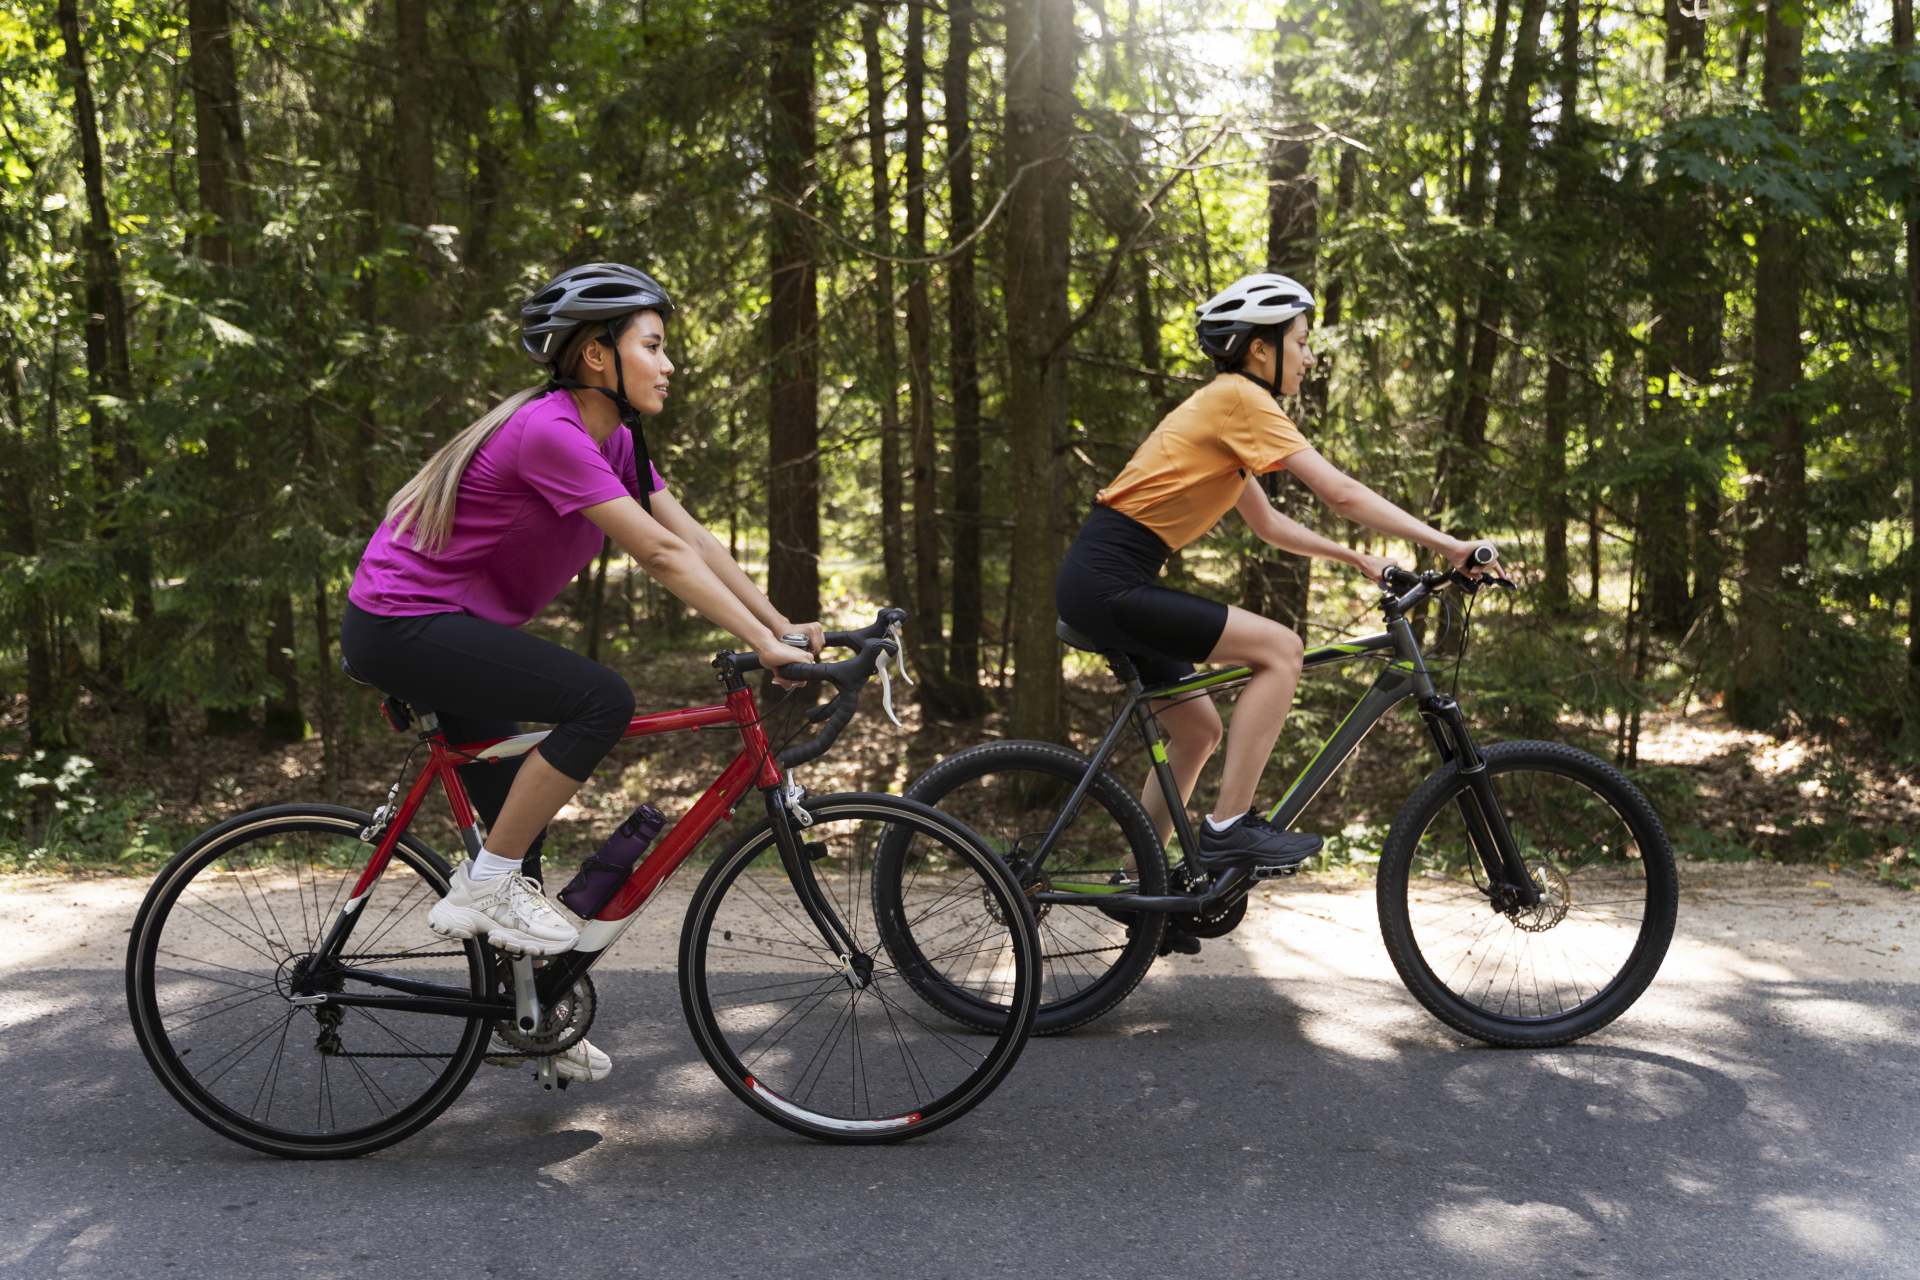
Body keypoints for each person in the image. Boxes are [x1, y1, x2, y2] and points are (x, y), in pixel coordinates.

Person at [339, 263, 818, 1082]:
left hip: (442, 629)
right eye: (654, 346)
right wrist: (764, 647)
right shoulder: (550, 432)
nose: (668, 365)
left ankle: (528, 1016)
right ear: (598, 356)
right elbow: (661, 555)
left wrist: (780, 627)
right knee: (599, 699)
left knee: (514, 829)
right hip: (403, 625)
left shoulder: (616, 438)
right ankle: (484, 887)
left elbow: (693, 537)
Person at [1056, 272, 1498, 875]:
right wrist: (1449, 545)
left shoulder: (1228, 411)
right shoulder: (1240, 399)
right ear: (1259, 348)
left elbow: (1269, 525)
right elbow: (1339, 492)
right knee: (1282, 649)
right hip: (1110, 581)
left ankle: (1144, 884)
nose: (1309, 358)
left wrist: (1357, 559)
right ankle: (1228, 827)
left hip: (1107, 578)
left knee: (1196, 733)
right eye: (1301, 342)